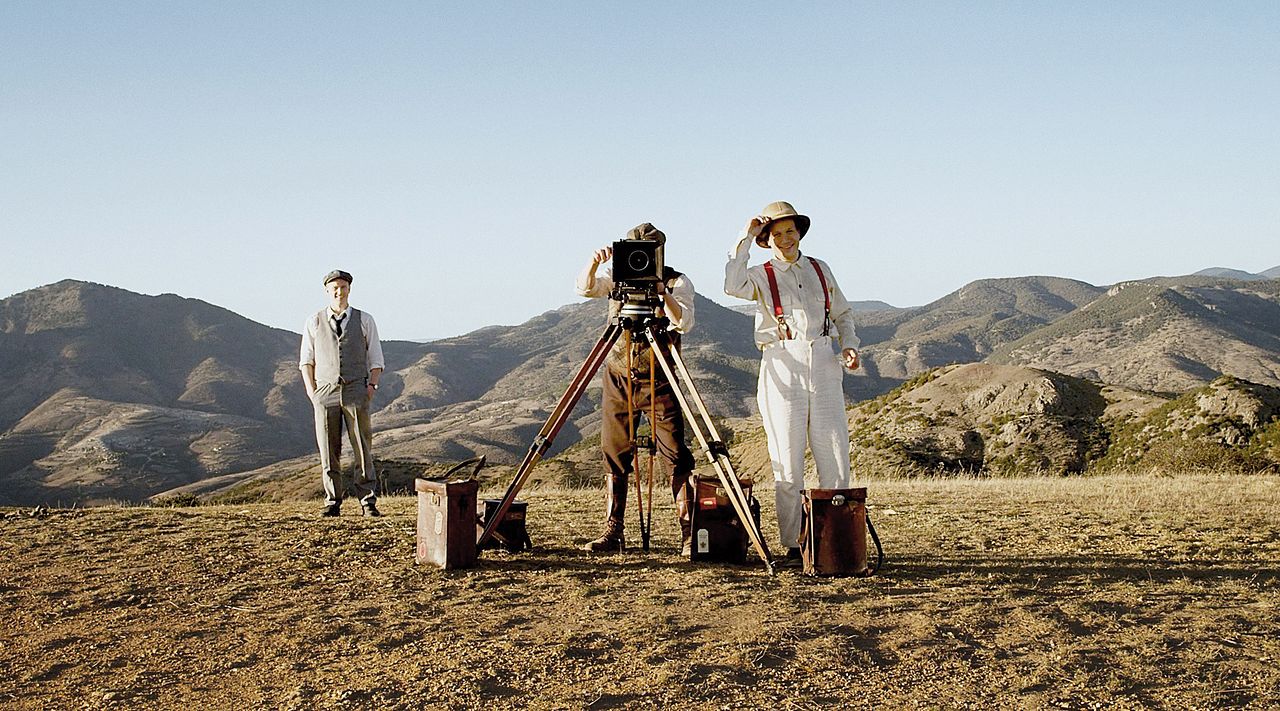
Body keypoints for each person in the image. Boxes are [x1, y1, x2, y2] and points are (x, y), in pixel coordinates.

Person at [724, 201, 860, 563]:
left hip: (824, 359)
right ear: (767, 239)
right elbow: (731, 284)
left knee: (834, 452)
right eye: (777, 233)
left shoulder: (820, 268)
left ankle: (836, 538)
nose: (785, 239)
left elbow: (843, 313)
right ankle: (794, 543)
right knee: (786, 456)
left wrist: (848, 345)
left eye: (790, 231)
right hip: (782, 360)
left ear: (799, 233)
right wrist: (746, 235)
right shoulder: (759, 274)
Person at [576, 223, 697, 553]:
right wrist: (593, 263)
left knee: (675, 454)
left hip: (660, 378)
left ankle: (689, 531)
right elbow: (585, 289)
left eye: (648, 251)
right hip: (619, 376)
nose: (640, 257)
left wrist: (661, 292)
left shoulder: (676, 280)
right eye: (635, 249)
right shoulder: (619, 277)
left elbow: (683, 321)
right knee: (614, 453)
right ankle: (613, 531)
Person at [299, 269, 385, 517]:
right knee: (328, 448)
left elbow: (376, 359)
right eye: (334, 288)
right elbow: (306, 360)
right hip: (324, 390)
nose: (339, 292)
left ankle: (367, 501)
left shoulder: (365, 319)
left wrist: (371, 387)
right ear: (327, 291)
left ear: (349, 289)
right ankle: (332, 501)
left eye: (343, 287)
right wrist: (312, 391)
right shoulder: (314, 321)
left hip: (356, 388)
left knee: (362, 445)